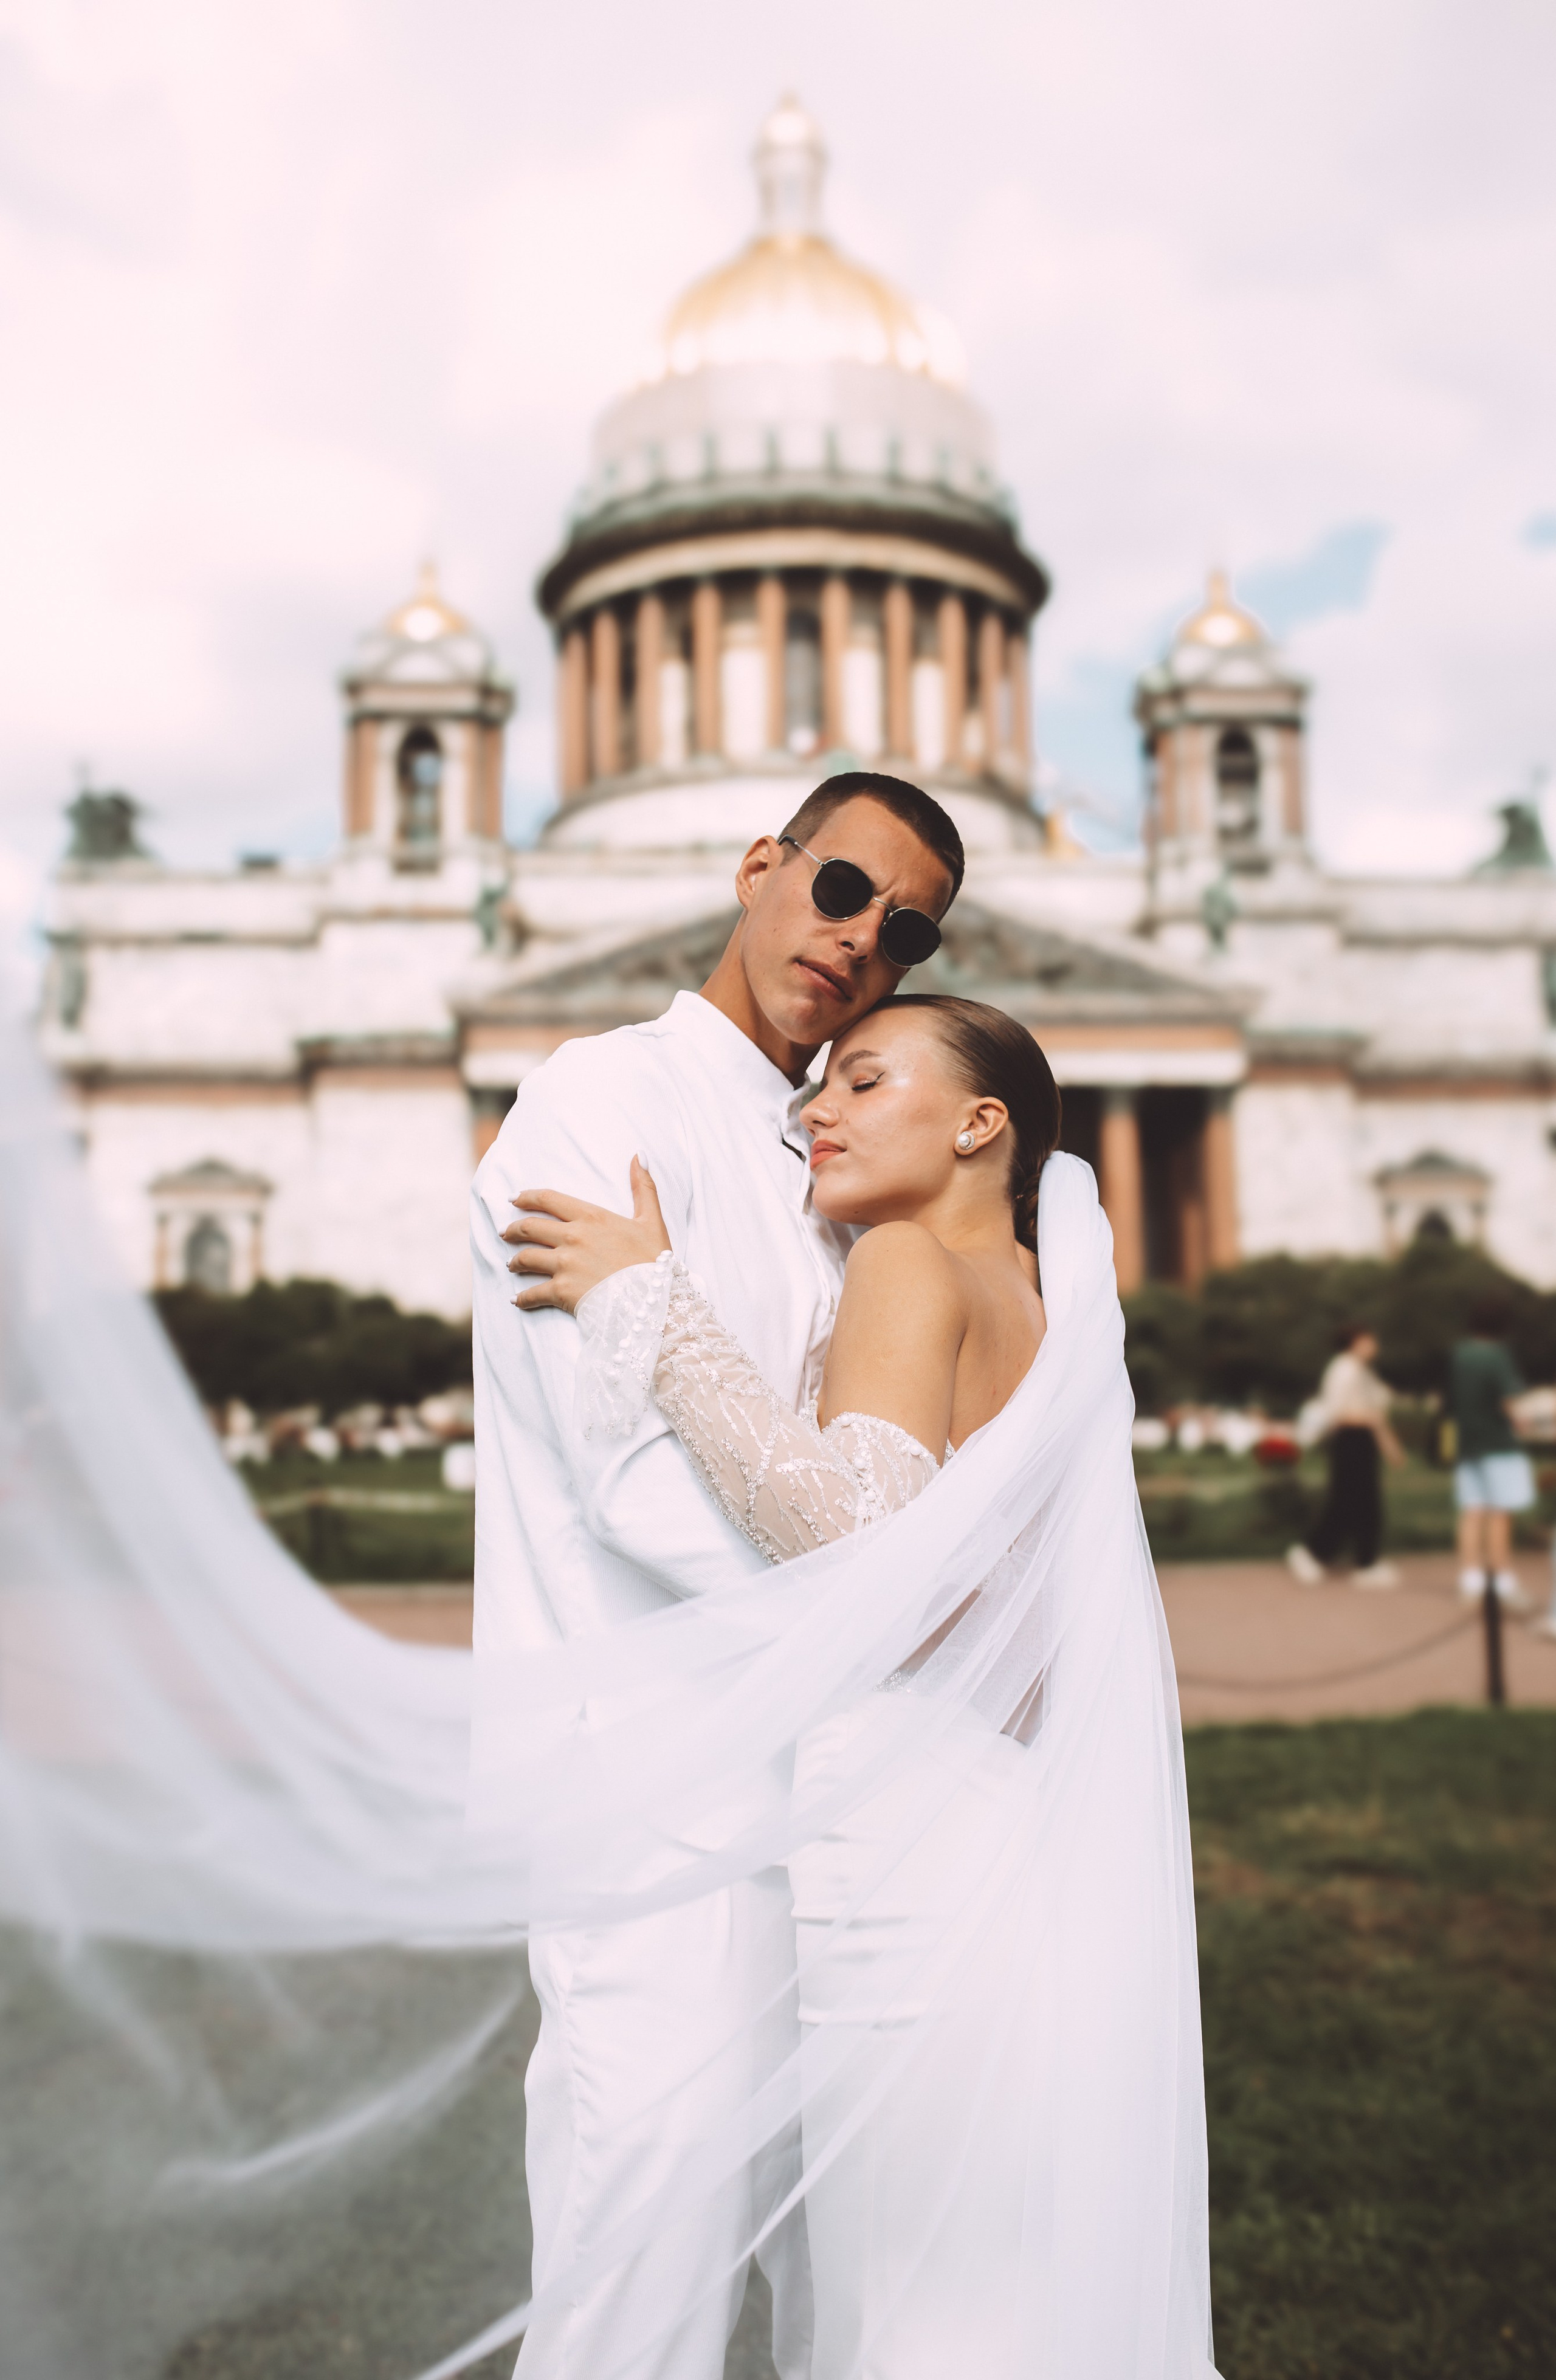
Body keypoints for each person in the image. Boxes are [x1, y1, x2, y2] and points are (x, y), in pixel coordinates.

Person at [510, 994, 1220, 2379]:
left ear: (978, 1123)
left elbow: (853, 1550)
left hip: (908, 1820)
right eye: (820, 1085)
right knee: (1000, 2264)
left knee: (910, 2286)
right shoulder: (1045, 1292)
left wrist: (651, 1311)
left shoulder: (904, 1260)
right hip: (1010, 1809)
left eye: (864, 1079)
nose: (811, 1109)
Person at [470, 771, 963, 2380]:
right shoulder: (593, 1100)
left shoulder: (832, 1155)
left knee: (823, 2278)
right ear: (764, 864)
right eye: (839, 890)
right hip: (653, 1807)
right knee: (645, 2284)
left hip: (829, 1796)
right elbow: (623, 1483)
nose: (860, 942)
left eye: (906, 933)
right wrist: (883, 1599)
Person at [1286, 1325, 1405, 1589]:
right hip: (1350, 1439)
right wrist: (1380, 1431)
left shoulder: (1360, 1370)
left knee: (1362, 1502)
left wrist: (1386, 1440)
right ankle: (1316, 1553)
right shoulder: (1344, 1369)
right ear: (1356, 1341)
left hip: (1360, 1440)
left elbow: (1378, 1409)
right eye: (1369, 1339)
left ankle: (1364, 1561)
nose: (1375, 1344)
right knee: (1349, 1501)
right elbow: (1339, 1412)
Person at [1451, 1295, 1535, 1608]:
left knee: (1472, 1511)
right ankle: (1503, 1581)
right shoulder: (1498, 1356)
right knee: (1500, 1515)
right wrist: (1525, 1422)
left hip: (1467, 1444)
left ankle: (1469, 1580)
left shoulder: (1459, 1355)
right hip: (1499, 1444)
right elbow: (1510, 1402)